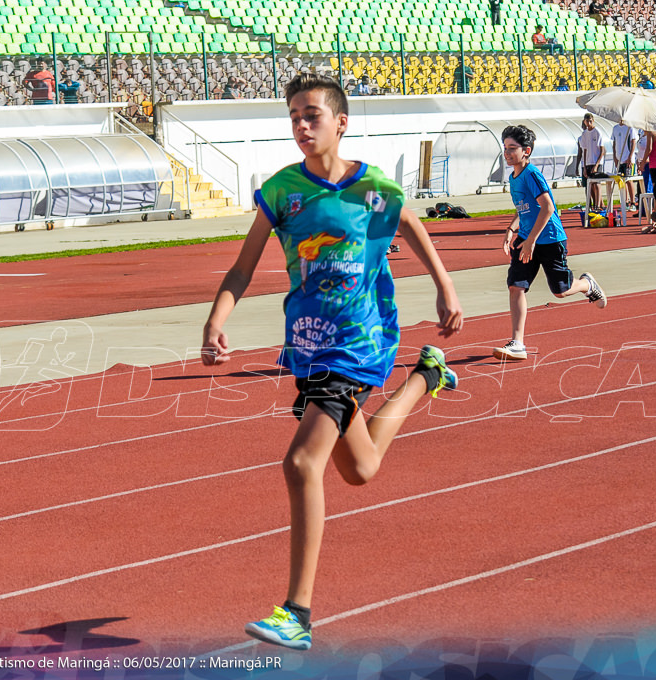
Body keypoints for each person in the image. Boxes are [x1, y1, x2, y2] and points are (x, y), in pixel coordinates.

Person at [203, 73, 463, 651]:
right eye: (294, 115)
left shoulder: (372, 188)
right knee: (359, 470)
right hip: (309, 344)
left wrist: (445, 287)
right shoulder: (281, 192)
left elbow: (412, 225)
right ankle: (427, 377)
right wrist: (217, 318)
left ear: (340, 122)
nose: (301, 124)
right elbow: (244, 267)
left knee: (302, 463)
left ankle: (297, 611)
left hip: (359, 340)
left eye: (312, 114)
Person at [493, 125, 606, 361]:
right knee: (516, 286)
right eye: (505, 148)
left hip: (549, 238)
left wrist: (531, 240)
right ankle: (517, 343)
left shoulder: (531, 174)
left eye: (512, 148)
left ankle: (586, 284)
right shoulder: (514, 177)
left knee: (560, 291)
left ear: (527, 151)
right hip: (527, 238)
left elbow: (547, 207)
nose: (507, 153)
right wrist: (512, 230)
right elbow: (525, 208)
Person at [577, 113, 605, 210]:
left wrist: (597, 164)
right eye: (586, 121)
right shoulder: (584, 134)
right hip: (588, 162)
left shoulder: (597, 132)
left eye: (590, 121)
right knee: (590, 185)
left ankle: (598, 205)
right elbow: (584, 150)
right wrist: (584, 167)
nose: (588, 123)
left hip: (596, 161)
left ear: (593, 121)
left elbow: (602, 150)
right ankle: (593, 206)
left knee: (597, 184)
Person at [611, 118, 638, 208]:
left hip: (628, 160)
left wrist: (630, 157)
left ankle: (633, 202)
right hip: (619, 159)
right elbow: (614, 143)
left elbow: (633, 142)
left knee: (629, 180)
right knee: (621, 181)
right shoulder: (615, 128)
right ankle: (625, 201)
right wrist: (615, 157)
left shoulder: (630, 128)